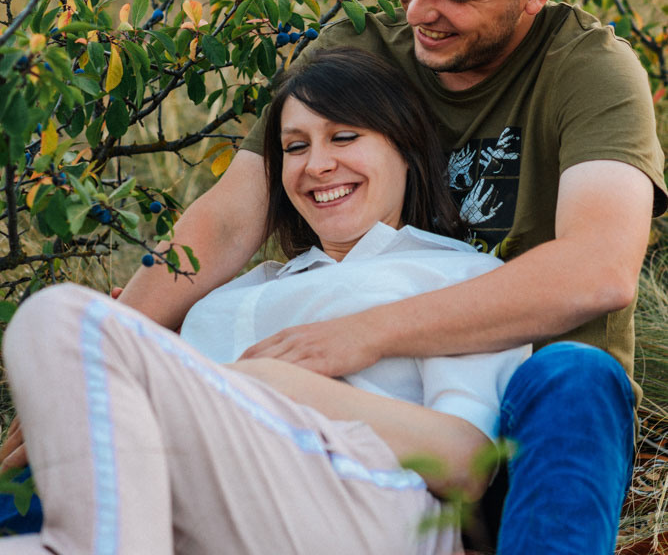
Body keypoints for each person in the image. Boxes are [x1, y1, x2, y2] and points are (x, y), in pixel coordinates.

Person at [2, 0, 665, 552]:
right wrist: (98, 365)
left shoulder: (587, 69)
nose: (420, 13)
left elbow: (598, 268)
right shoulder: (362, 47)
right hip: (328, 445)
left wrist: (359, 334)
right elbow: (230, 216)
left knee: (577, 376)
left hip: (525, 424)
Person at [0, 50, 529, 555]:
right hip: (202, 504)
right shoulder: (242, 290)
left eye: (344, 137)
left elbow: (464, 460)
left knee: (56, 317)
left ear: (407, 151)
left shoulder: (459, 275)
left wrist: (279, 386)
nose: (317, 165)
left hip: (364, 502)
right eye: (295, 148)